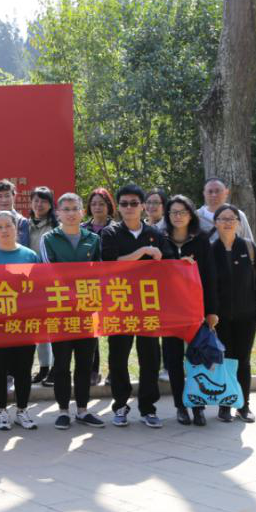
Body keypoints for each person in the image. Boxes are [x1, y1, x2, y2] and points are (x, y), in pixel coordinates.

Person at [99, 183, 173, 429]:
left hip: (148, 304)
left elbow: (169, 264)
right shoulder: (110, 233)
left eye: (134, 203)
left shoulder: (156, 234)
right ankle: (120, 405)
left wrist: (175, 260)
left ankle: (148, 408)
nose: (129, 207)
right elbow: (110, 264)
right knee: (118, 356)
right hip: (119, 302)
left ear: (143, 206)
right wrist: (142, 252)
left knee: (150, 357)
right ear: (118, 208)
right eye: (124, 204)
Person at [39, 193, 105, 430]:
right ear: (58, 213)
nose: (70, 213)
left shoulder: (93, 239)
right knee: (62, 363)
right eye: (65, 209)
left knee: (85, 363)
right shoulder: (49, 239)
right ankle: (63, 411)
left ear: (82, 212)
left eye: (74, 208)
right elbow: (49, 272)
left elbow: (99, 272)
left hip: (87, 311)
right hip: (61, 311)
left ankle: (83, 410)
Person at [0, 210, 41, 432]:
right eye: (0, 227)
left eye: (9, 226)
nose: (5, 230)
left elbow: (38, 288)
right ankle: (2, 412)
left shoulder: (29, 256)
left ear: (17, 228)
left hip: (24, 323)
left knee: (24, 369)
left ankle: (22, 411)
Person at [163, 195, 220, 426]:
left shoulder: (202, 239)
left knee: (197, 358)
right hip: (168, 311)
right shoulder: (160, 239)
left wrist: (211, 310)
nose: (178, 216)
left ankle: (198, 406)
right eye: (173, 212)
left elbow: (210, 276)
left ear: (191, 215)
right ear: (168, 216)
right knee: (173, 359)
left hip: (195, 309)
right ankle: (180, 406)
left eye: (182, 212)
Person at [211, 203, 256, 423]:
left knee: (243, 360)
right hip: (219, 318)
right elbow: (205, 286)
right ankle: (225, 405)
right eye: (223, 219)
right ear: (215, 223)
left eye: (231, 218)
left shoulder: (249, 248)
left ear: (238, 222)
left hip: (246, 315)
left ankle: (243, 406)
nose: (227, 222)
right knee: (226, 360)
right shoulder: (210, 251)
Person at [82, 186, 115, 386]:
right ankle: (93, 370)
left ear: (108, 206)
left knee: (113, 329)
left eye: (101, 204)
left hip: (113, 285)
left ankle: (114, 370)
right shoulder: (82, 228)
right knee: (91, 329)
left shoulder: (117, 228)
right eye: (93, 204)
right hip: (89, 286)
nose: (97, 207)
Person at [26, 186, 59, 386]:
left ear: (50, 204)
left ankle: (56, 367)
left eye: (44, 201)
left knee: (53, 326)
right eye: (36, 200)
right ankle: (44, 367)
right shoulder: (24, 225)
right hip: (29, 283)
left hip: (51, 282)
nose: (39, 205)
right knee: (38, 328)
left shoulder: (56, 226)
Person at [198, 178, 255, 242]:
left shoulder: (238, 215)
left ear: (226, 192)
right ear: (204, 193)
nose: (214, 195)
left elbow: (249, 243)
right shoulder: (196, 217)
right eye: (210, 191)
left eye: (217, 191)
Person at [0, 179, 30, 252]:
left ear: (14, 196)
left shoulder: (21, 221)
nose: (4, 200)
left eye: (7, 196)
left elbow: (23, 249)